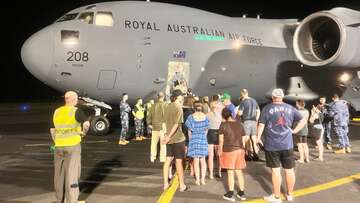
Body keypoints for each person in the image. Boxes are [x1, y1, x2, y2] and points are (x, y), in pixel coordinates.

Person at [257, 88, 306, 203]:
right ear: (282, 97)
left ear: (273, 97)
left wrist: (258, 138)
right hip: (287, 144)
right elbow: (303, 120)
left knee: (275, 171)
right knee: (289, 170)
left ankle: (277, 197)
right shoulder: (290, 108)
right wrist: (294, 130)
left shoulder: (267, 108)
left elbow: (261, 124)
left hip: (272, 145)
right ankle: (289, 194)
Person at [50, 91, 90, 203]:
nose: (77, 100)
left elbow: (52, 130)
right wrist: (83, 133)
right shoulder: (76, 111)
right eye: (76, 98)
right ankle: (72, 201)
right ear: (72, 99)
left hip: (58, 147)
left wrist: (56, 141)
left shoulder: (57, 111)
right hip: (72, 146)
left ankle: (59, 200)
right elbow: (86, 124)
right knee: (72, 174)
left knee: (58, 175)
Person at [162, 89, 188, 191]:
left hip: (169, 139)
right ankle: (182, 185)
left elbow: (164, 123)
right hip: (178, 139)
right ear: (178, 97)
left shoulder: (167, 107)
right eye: (181, 96)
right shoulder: (179, 108)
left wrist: (166, 135)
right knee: (178, 162)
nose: (183, 97)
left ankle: (165, 184)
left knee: (167, 161)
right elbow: (177, 124)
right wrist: (169, 136)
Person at [219, 108, 247, 201]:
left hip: (229, 150)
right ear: (231, 114)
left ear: (223, 116)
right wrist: (244, 149)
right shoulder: (239, 124)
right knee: (239, 171)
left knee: (230, 172)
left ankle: (230, 193)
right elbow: (244, 139)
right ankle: (242, 193)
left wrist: (220, 150)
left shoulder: (223, 125)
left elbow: (221, 140)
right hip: (240, 149)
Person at [186, 101, 210, 185]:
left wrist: (190, 141)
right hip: (203, 138)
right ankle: (203, 179)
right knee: (203, 160)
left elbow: (189, 132)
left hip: (194, 139)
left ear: (193, 107)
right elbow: (207, 130)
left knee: (195, 161)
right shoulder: (205, 117)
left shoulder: (190, 117)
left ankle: (197, 180)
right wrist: (203, 136)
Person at [237, 89, 261, 161]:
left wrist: (238, 112)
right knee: (253, 139)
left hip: (246, 121)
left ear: (242, 94)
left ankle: (248, 155)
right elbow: (258, 110)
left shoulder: (243, 102)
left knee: (246, 139)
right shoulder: (254, 101)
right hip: (253, 121)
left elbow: (240, 113)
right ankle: (256, 154)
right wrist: (256, 118)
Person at [148, 92, 167, 163]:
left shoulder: (153, 106)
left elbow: (149, 116)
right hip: (163, 127)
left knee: (153, 143)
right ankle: (162, 158)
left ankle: (152, 157)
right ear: (163, 97)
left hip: (154, 127)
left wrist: (149, 124)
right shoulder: (166, 105)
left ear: (157, 97)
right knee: (163, 144)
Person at [206, 100, 222, 179]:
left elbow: (205, 127)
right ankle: (219, 172)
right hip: (218, 133)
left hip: (210, 133)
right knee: (219, 155)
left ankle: (211, 174)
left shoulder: (207, 115)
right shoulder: (220, 115)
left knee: (211, 156)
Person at [182, 96, 195, 176]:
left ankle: (183, 165)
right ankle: (192, 169)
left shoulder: (182, 111)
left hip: (183, 131)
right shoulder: (192, 111)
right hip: (191, 132)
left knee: (184, 150)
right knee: (191, 152)